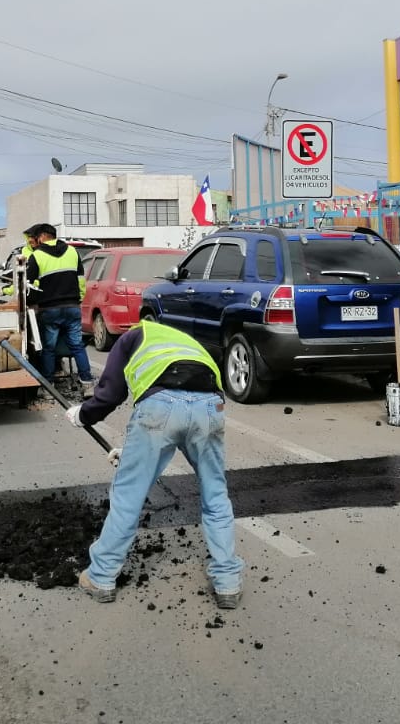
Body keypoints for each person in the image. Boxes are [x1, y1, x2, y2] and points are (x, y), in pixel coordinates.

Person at [65, 319, 244, 607]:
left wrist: (82, 415)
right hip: (210, 407)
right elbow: (188, 405)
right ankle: (228, 583)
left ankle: (101, 576)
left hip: (160, 408)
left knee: (128, 496)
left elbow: (110, 394)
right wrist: (131, 452)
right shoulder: (184, 341)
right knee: (215, 493)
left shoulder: (132, 337)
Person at [25, 223, 94, 389]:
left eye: (36, 237)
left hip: (50, 310)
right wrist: (78, 300)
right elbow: (81, 280)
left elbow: (27, 284)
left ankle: (49, 385)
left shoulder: (37, 256)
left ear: (42, 236)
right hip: (72, 307)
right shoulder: (72, 251)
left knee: (49, 348)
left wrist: (6, 290)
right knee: (77, 346)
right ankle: (87, 383)